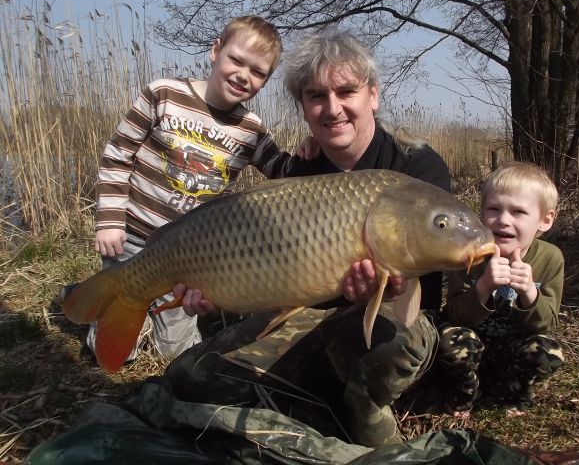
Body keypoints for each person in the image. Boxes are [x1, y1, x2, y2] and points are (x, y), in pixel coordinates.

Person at [166, 30, 451, 447]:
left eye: (346, 91)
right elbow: (269, 273)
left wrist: (387, 288)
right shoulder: (299, 172)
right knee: (189, 379)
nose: (332, 108)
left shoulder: (417, 168)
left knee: (390, 340)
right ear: (302, 107)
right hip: (309, 315)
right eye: (316, 96)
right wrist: (215, 288)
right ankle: (318, 389)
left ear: (373, 94)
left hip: (400, 318)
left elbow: (431, 277)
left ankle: (365, 407)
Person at [71, 16, 306, 363]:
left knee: (178, 353)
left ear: (265, 82)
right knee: (124, 351)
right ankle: (102, 312)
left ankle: (155, 319)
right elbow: (117, 156)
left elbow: (284, 171)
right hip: (132, 237)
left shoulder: (251, 130)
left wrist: (311, 151)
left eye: (258, 72)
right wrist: (109, 220)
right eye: (236, 60)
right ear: (215, 51)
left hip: (191, 254)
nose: (243, 75)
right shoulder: (163, 93)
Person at [437, 161, 565, 417]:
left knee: (548, 351)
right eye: (494, 209)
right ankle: (466, 389)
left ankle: (514, 391)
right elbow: (454, 315)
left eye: (518, 212)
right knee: (446, 338)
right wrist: (483, 287)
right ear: (481, 214)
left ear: (545, 220)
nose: (503, 220)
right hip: (473, 345)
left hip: (511, 349)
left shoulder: (551, 258)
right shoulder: (469, 255)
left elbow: (547, 325)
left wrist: (529, 293)